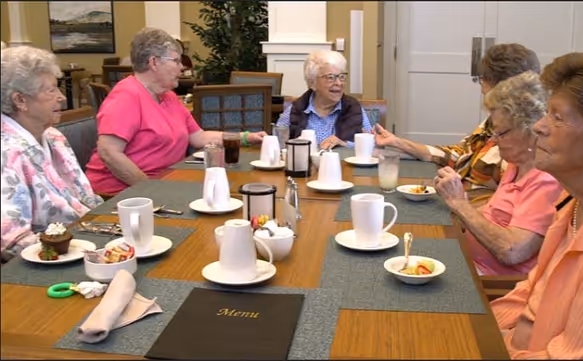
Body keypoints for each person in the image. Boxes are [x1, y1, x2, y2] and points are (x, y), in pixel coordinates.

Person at [491, 53, 583, 359]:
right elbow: (530, 295)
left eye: (557, 117)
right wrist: (471, 327)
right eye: (546, 113)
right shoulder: (573, 199)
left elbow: (576, 355)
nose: (539, 127)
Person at [85, 28, 267, 194]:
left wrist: (245, 137)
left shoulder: (168, 96)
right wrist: (151, 190)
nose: (182, 67)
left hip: (165, 182)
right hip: (121, 195)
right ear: (154, 62)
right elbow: (109, 152)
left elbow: (199, 137)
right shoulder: (126, 96)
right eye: (176, 61)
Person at [373, 44, 541, 203]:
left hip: (468, 219)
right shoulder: (495, 121)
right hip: (458, 207)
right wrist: (397, 142)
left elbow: (505, 211)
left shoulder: (520, 140)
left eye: (483, 78)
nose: (481, 85)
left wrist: (459, 202)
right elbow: (457, 155)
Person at [434, 71, 562, 275]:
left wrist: (459, 205)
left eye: (501, 133)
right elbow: (495, 215)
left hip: (493, 284)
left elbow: (512, 251)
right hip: (470, 263)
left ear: (530, 130)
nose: (493, 140)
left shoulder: (546, 179)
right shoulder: (517, 164)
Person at [1, 46, 103, 261]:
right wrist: (78, 248)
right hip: (48, 261)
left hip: (89, 238)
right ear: (20, 100)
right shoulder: (6, 153)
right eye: (51, 91)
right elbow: (11, 242)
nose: (62, 98)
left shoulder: (54, 136)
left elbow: (87, 200)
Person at [275, 50, 373, 149]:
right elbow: (277, 142)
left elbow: (372, 145)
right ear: (312, 82)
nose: (339, 83)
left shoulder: (353, 109)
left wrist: (345, 144)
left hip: (341, 163)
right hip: (303, 163)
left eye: (342, 77)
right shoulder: (297, 109)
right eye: (331, 77)